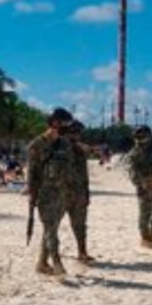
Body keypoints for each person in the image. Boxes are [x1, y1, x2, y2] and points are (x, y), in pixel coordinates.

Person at [28, 107, 74, 276]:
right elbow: (32, 172)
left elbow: (69, 169)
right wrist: (32, 195)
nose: (67, 127)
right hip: (44, 193)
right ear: (54, 123)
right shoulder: (36, 145)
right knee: (50, 228)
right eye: (65, 123)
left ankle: (41, 263)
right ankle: (56, 262)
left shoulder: (64, 143)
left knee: (51, 229)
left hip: (62, 192)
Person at [125, 125, 152, 249]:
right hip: (144, 184)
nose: (140, 139)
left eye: (143, 136)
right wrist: (140, 184)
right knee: (145, 213)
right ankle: (144, 238)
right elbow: (132, 171)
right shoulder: (134, 153)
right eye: (138, 136)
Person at [65, 121, 94, 263]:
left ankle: (82, 252)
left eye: (78, 133)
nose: (75, 135)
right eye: (72, 132)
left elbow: (84, 173)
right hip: (60, 193)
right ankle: (46, 257)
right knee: (52, 227)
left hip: (79, 193)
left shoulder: (80, 151)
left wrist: (87, 192)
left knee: (80, 225)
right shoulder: (57, 148)